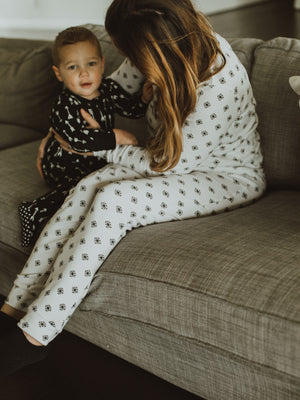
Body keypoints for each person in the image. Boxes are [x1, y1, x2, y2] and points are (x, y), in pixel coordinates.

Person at [0, 0, 266, 376]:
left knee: (114, 199)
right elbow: (107, 92)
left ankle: (34, 337)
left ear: (150, 47)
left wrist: (104, 145)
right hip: (172, 160)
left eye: (127, 51)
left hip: (226, 177)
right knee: (88, 183)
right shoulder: (162, 47)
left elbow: (167, 164)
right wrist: (64, 132)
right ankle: (12, 307)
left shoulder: (217, 83)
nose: (128, 59)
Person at [18, 26, 153, 247]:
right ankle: (35, 209)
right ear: (59, 73)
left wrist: (144, 101)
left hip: (91, 158)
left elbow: (131, 109)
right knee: (81, 185)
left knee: (104, 178)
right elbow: (76, 140)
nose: (84, 73)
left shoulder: (108, 89)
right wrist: (115, 136)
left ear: (101, 64)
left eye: (90, 64)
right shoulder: (64, 104)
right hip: (60, 161)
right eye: (73, 67)